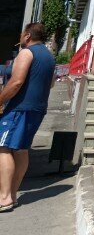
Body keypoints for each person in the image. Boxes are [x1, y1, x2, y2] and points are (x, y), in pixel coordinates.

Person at [0, 22, 55, 212]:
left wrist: (1, 100)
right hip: (37, 108)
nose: (20, 37)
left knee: (3, 148)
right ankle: (12, 195)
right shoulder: (49, 56)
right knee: (21, 149)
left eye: (22, 34)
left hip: (19, 108)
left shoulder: (26, 53)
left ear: (27, 36)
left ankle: (4, 198)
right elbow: (51, 84)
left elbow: (16, 82)